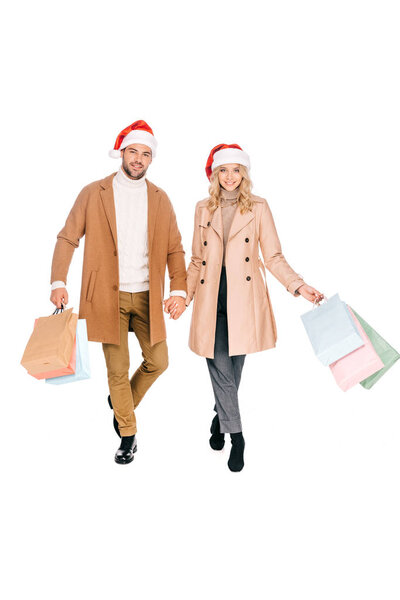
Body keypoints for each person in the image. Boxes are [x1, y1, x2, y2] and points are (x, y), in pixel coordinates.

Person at [50, 120, 187, 465]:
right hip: (106, 298)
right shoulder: (93, 192)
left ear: (151, 159)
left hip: (146, 295)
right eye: (133, 151)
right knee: (117, 369)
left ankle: (122, 401)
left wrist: (180, 290)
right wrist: (58, 281)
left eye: (145, 154)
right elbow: (68, 237)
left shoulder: (160, 198)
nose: (138, 159)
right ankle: (128, 434)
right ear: (122, 153)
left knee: (159, 361)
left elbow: (175, 249)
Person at [183, 143, 323, 472]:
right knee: (221, 371)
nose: (230, 177)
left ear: (244, 174)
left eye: (236, 170)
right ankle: (238, 438)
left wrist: (298, 286)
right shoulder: (203, 208)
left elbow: (273, 256)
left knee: (232, 373)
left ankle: (220, 419)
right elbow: (196, 259)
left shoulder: (258, 207)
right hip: (210, 300)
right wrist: (183, 295)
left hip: (244, 301)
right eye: (224, 170)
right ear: (215, 174)